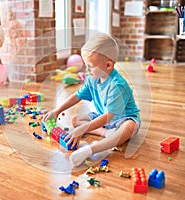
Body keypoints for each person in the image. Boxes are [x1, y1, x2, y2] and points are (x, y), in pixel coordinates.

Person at [43, 33, 140, 167]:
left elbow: (109, 116)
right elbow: (77, 96)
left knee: (129, 128)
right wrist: (57, 110)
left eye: (91, 66)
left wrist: (83, 130)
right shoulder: (92, 78)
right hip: (102, 117)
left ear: (108, 65)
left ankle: (90, 150)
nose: (87, 70)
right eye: (86, 65)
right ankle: (106, 133)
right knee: (76, 121)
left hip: (121, 118)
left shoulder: (117, 85)